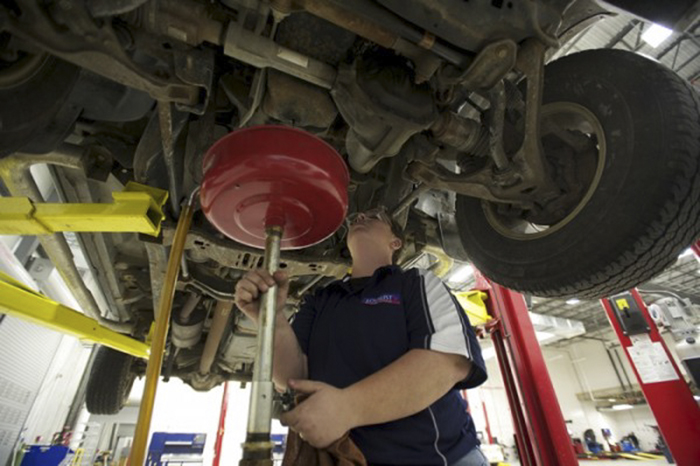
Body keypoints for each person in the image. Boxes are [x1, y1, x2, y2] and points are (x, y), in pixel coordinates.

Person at [235, 207, 488, 466]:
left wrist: (348, 408)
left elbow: (447, 364)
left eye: (375, 217)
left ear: (395, 242)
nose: (360, 218)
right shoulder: (321, 299)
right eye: (357, 218)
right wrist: (271, 320)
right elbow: (292, 377)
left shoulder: (416, 283)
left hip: (440, 458)